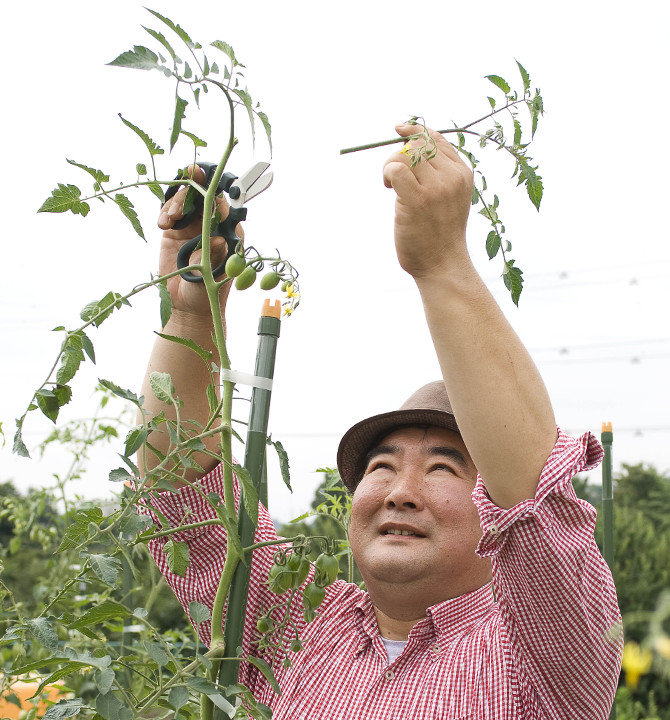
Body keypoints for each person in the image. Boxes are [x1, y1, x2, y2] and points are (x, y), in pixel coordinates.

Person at [139, 125, 623, 719]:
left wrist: (442, 263)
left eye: (444, 468)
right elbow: (185, 498)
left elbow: (532, 495)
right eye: (382, 465)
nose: (399, 492)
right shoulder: (301, 628)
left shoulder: (541, 658)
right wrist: (191, 311)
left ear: (494, 515)